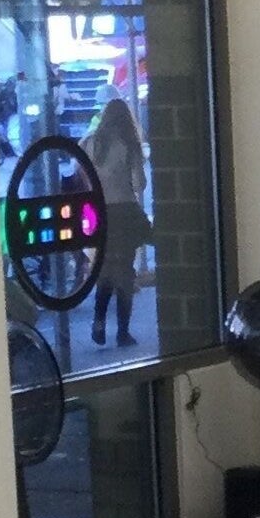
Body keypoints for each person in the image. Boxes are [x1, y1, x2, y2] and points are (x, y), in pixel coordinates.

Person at [83, 96, 149, 347]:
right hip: (123, 212)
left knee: (104, 269)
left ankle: (98, 323)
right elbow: (139, 184)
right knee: (124, 273)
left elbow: (78, 171)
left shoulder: (90, 142)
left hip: (97, 211)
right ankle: (123, 332)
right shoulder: (128, 144)